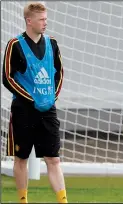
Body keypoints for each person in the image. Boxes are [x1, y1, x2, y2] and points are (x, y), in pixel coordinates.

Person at [3, 2, 68, 203]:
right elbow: (7, 77)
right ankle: (23, 200)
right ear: (29, 21)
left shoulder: (52, 43)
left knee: (53, 159)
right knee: (21, 159)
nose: (45, 23)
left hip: (48, 110)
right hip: (23, 111)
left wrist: (51, 97)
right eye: (41, 19)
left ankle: (63, 201)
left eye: (46, 19)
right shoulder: (15, 44)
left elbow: (60, 73)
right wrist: (31, 99)